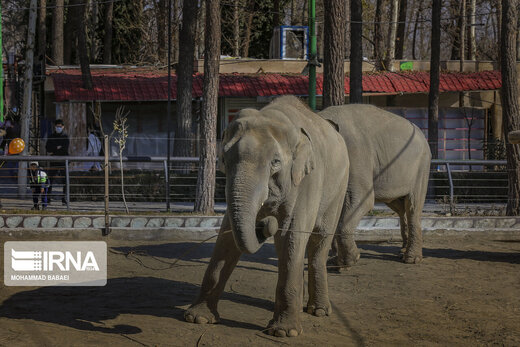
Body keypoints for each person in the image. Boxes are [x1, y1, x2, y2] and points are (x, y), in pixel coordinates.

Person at [45, 119, 69, 205]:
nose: (58, 128)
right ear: (55, 127)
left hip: (63, 160)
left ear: (63, 127)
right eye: (57, 126)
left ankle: (64, 199)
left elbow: (64, 149)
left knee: (65, 180)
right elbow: (47, 148)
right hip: (54, 160)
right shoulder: (51, 136)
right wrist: (57, 148)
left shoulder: (65, 137)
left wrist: (54, 149)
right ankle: (47, 198)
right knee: (50, 180)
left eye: (60, 126)